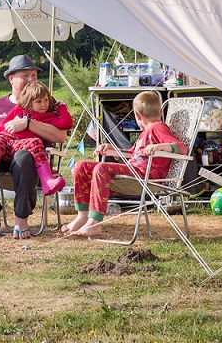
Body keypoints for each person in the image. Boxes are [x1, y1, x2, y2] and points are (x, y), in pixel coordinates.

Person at [62, 90, 184, 238]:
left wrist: (160, 147)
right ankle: (82, 215)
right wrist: (112, 149)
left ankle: (94, 223)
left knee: (101, 168)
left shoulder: (158, 127)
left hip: (146, 176)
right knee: (81, 166)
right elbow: (131, 154)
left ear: (137, 115)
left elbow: (181, 148)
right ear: (160, 110)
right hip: (133, 171)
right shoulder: (145, 133)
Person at [0, 55, 70, 240]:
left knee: (24, 156)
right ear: (11, 78)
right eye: (26, 75)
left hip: (32, 158)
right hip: (0, 156)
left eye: (34, 75)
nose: (31, 79)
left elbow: (61, 135)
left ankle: (21, 218)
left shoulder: (45, 103)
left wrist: (28, 124)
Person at [0, 81, 71, 212]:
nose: (43, 104)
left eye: (46, 100)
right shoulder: (19, 110)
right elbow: (3, 126)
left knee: (35, 142)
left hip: (20, 148)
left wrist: (61, 108)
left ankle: (47, 181)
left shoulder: (47, 116)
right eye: (38, 101)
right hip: (4, 139)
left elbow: (66, 124)